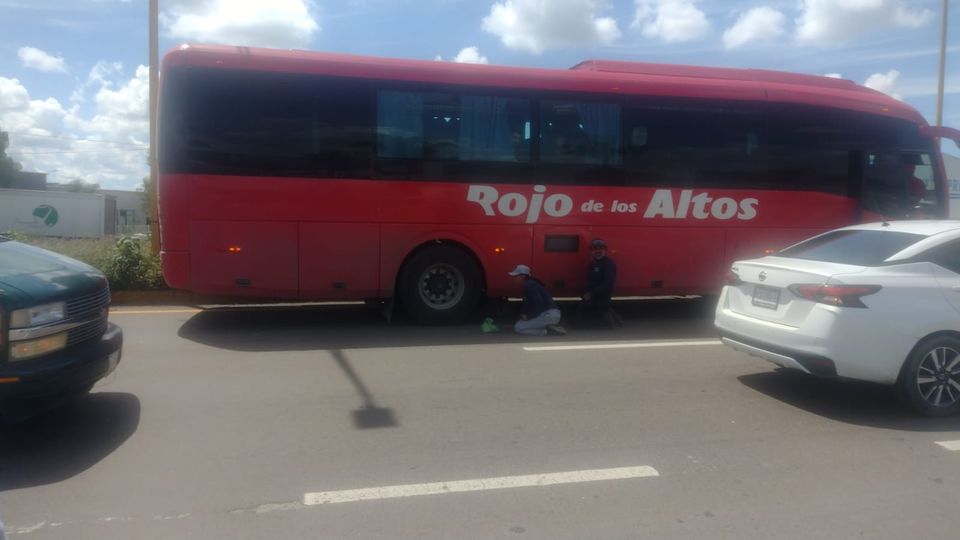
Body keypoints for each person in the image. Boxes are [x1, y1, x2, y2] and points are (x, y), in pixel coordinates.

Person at [508, 264, 566, 336]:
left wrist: (529, 316)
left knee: (518, 327)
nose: (513, 278)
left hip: (548, 315)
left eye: (515, 276)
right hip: (550, 314)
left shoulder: (529, 285)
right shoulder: (530, 284)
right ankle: (548, 327)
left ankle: (549, 332)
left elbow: (539, 303)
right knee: (519, 324)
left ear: (522, 276)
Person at [577, 238, 619, 328]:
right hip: (591, 296)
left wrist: (591, 294)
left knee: (586, 324)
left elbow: (608, 284)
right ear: (591, 251)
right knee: (579, 320)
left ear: (605, 251)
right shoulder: (593, 264)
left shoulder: (608, 264)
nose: (598, 251)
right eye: (595, 249)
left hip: (601, 297)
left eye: (601, 249)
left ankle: (611, 318)